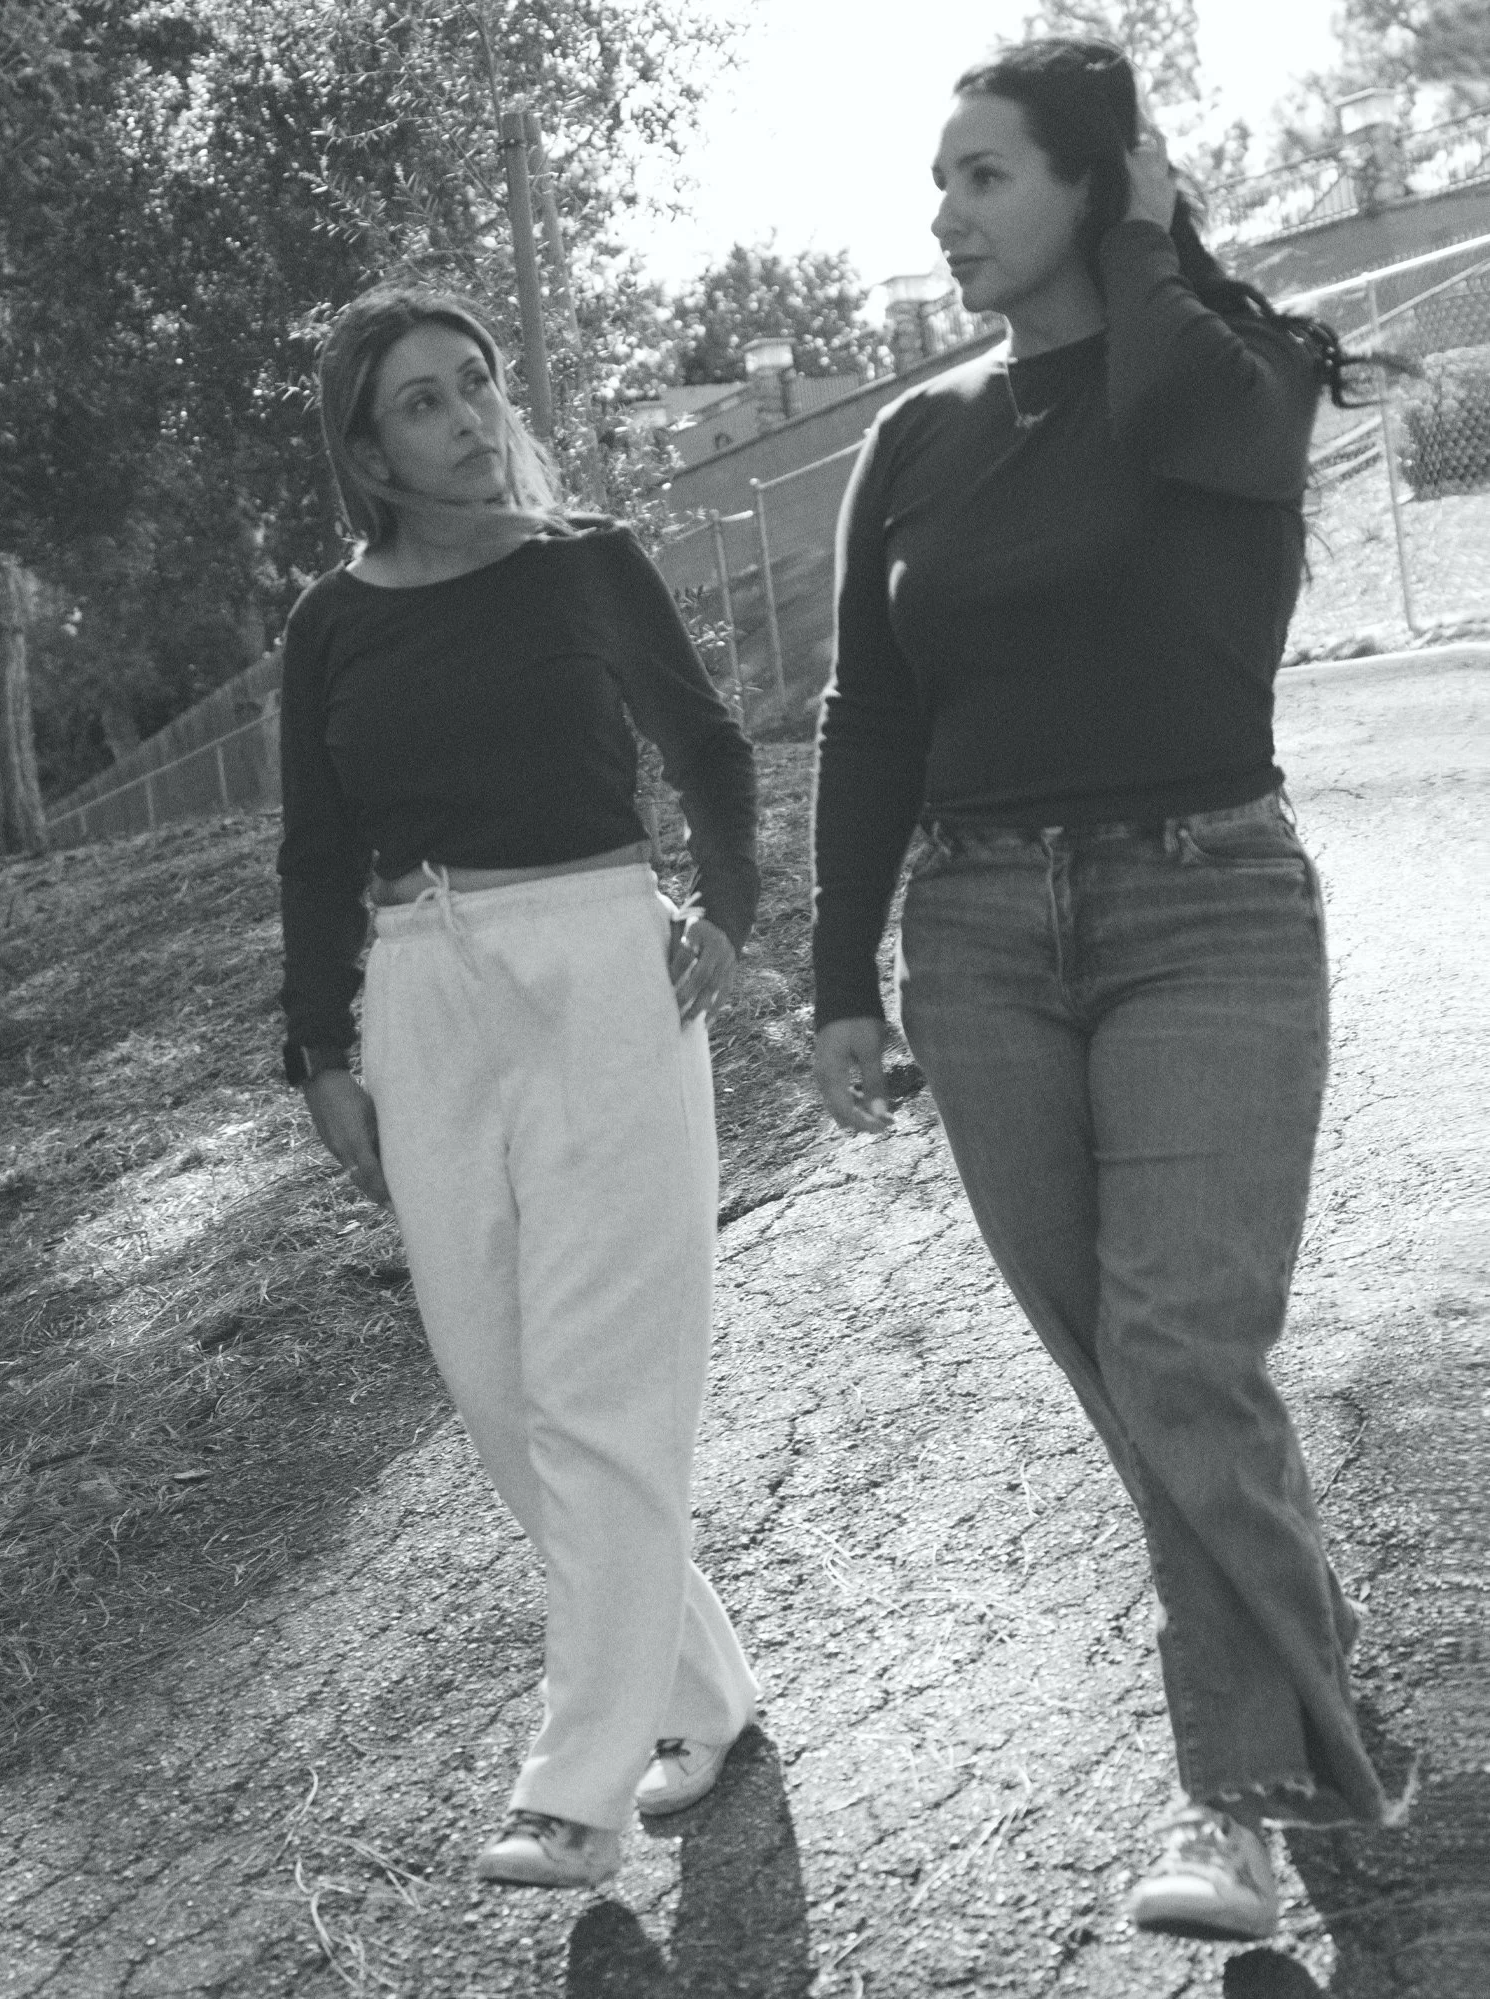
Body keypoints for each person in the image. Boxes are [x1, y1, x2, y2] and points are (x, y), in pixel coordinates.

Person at [812, 38, 1407, 1945]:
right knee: (1125, 1371)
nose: (946, 212)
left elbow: (1175, 411)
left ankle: (1239, 1800)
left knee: (1178, 1353)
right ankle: (1296, 1687)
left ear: (1098, 182)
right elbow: (869, 715)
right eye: (940, 179)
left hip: (1205, 906)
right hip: (978, 934)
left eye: (987, 173)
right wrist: (839, 975)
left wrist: (1151, 248)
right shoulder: (917, 439)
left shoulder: (1238, 372)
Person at [277, 284, 760, 1889]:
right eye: (423, 400)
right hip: (424, 995)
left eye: (476, 383)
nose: (470, 417)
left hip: (602, 968)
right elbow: (315, 850)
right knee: (499, 1393)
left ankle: (575, 1788)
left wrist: (728, 908)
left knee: (599, 1388)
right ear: (367, 448)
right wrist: (320, 1049)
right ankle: (701, 1692)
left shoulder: (586, 563)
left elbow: (708, 746)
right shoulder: (331, 624)